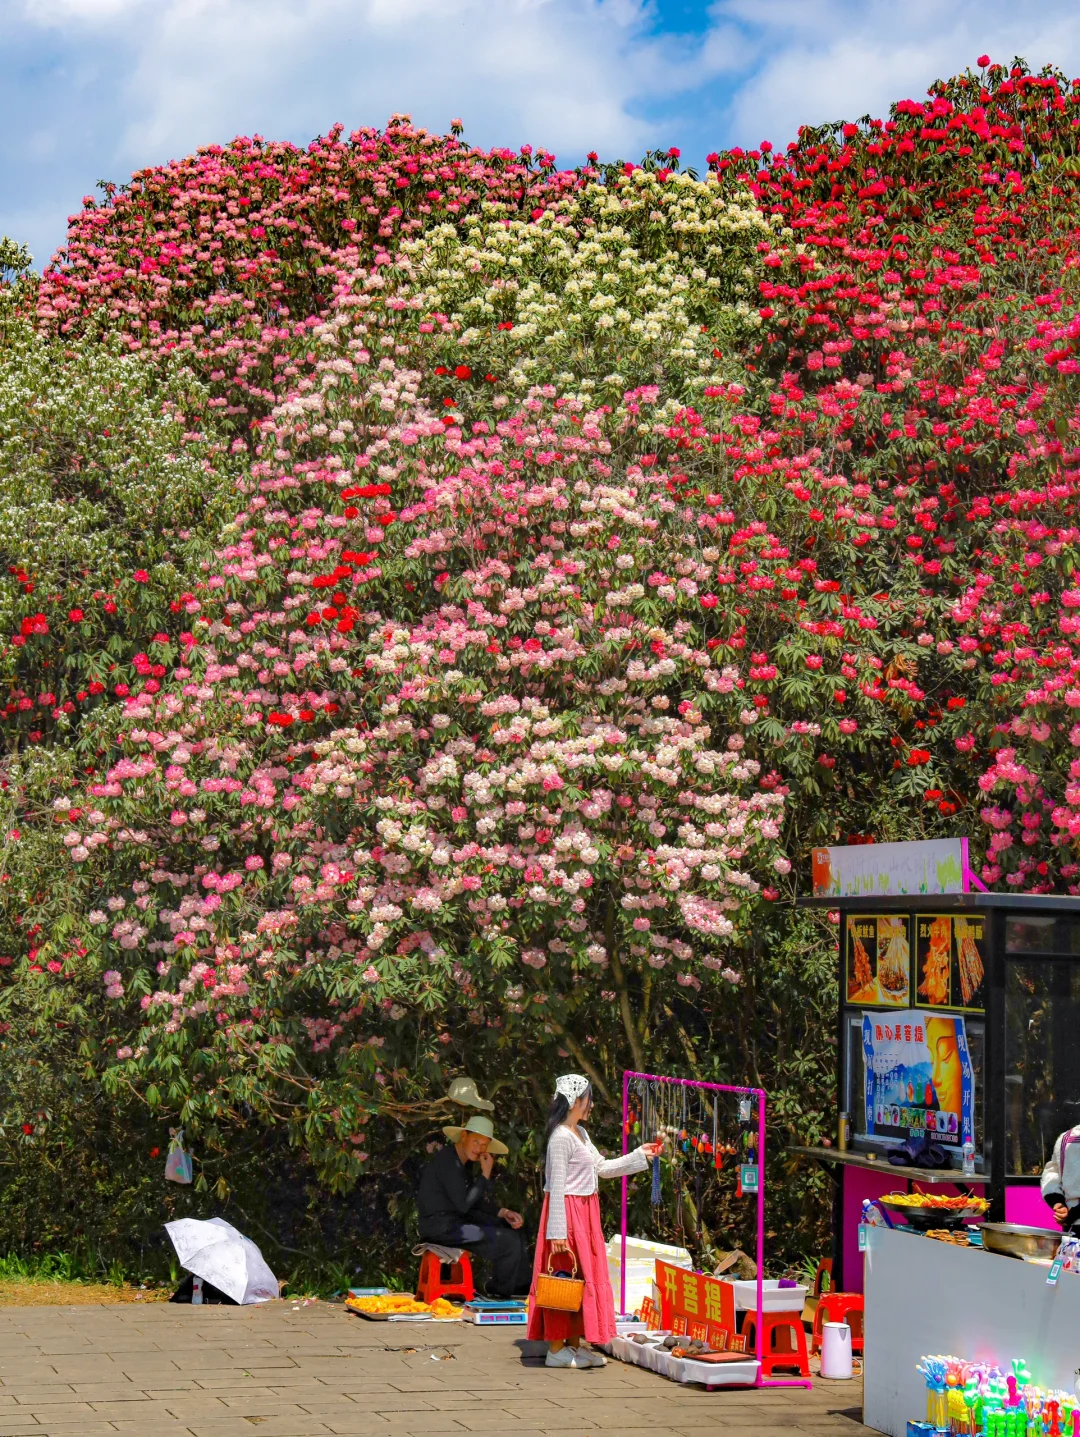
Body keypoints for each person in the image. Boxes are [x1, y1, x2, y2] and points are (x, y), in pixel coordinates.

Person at [527, 1073, 662, 1369]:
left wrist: (641, 1155)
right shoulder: (561, 1137)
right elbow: (556, 1187)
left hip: (585, 1215)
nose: (591, 1104)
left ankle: (573, 1346)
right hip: (568, 1215)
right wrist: (558, 1233)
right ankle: (555, 1348)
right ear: (576, 1100)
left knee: (582, 1278)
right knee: (565, 1278)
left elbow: (602, 1167)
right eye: (588, 1098)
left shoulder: (580, 1134)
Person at [416, 1113, 531, 1298]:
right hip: (440, 1227)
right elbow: (463, 1205)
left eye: (484, 1144)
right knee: (507, 1241)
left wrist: (504, 1212)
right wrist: (485, 1176)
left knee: (510, 1227)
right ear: (464, 1137)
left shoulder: (463, 1163)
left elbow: (472, 1203)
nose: (480, 1148)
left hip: (457, 1220)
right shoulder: (448, 1161)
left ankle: (521, 1288)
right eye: (476, 1141)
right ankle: (500, 1292)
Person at [1040, 1123, 1080, 1230]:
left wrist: (1059, 1203)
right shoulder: (1065, 1139)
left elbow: (1051, 1175)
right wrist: (1058, 1203)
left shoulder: (1065, 1138)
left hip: (1073, 1224)